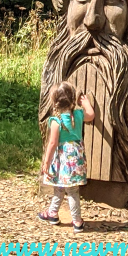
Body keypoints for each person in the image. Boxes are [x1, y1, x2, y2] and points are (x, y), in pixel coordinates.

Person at [38, 82, 94, 232]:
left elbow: (52, 143)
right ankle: (54, 213)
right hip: (76, 160)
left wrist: (46, 161)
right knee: (68, 189)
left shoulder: (56, 121)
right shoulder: (78, 114)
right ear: (72, 100)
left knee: (63, 189)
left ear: (55, 102)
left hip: (62, 161)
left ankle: (76, 221)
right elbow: (91, 115)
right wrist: (86, 103)